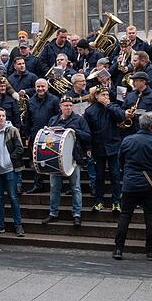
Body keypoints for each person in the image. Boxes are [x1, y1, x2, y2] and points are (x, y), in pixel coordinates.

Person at [113, 112, 152, 260]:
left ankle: (118, 249)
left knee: (125, 216)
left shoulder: (127, 140)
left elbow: (120, 161)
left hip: (130, 184)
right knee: (150, 217)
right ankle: (151, 251)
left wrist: (127, 175)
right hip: (150, 185)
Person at [43, 95, 90, 227]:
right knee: (54, 188)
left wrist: (75, 131)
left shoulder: (79, 119)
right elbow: (47, 139)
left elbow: (88, 136)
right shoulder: (53, 120)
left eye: (70, 105)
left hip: (73, 159)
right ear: (60, 107)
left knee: (75, 188)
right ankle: (53, 213)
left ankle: (77, 215)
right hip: (55, 159)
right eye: (66, 105)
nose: (68, 108)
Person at [84, 87, 125, 212]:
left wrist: (109, 105)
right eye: (103, 94)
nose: (106, 97)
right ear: (96, 96)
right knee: (99, 176)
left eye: (107, 94)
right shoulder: (90, 111)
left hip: (113, 146)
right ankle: (99, 201)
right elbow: (87, 131)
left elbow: (121, 117)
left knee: (115, 175)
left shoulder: (114, 107)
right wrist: (88, 147)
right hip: (98, 147)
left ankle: (116, 202)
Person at [0, 107, 25, 237]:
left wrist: (9, 159)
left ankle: (18, 225)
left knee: (13, 197)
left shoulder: (12, 130)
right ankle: (0, 225)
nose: (1, 118)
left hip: (9, 169)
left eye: (3, 116)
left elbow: (20, 148)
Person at [24, 79, 60, 194]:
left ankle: (54, 187)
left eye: (43, 86)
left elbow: (58, 117)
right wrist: (27, 135)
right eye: (38, 86)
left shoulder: (54, 100)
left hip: (51, 135)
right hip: (35, 135)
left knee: (51, 159)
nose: (40, 89)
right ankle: (38, 184)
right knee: (36, 161)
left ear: (47, 87)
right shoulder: (30, 101)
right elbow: (28, 120)